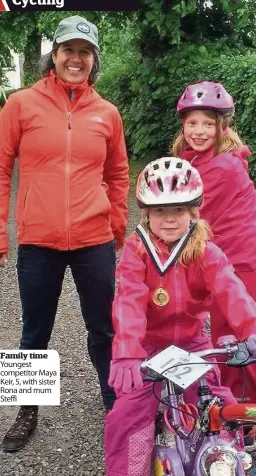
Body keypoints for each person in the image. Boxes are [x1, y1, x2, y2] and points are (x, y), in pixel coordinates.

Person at [0, 14, 129, 452]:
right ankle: (26, 410)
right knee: (34, 331)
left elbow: (117, 174)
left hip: (94, 240)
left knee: (104, 328)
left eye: (85, 52)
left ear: (95, 60)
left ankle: (115, 404)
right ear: (52, 56)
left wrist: (118, 229)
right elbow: (1, 170)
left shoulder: (107, 114)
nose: (76, 59)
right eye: (68, 50)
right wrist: (2, 232)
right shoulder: (20, 105)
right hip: (38, 241)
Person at [104, 157, 256, 476]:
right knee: (127, 418)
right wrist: (127, 351)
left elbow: (230, 287)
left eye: (178, 210)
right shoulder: (137, 251)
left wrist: (250, 329)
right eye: (160, 211)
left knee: (215, 409)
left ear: (193, 212)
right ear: (146, 214)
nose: (170, 220)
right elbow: (128, 299)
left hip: (192, 343)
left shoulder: (205, 251)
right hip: (145, 348)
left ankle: (221, 463)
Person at [172, 81, 256, 412]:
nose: (200, 130)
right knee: (229, 336)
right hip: (228, 260)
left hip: (241, 263)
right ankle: (236, 408)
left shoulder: (223, 166)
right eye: (193, 122)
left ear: (222, 127)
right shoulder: (195, 159)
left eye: (209, 123)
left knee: (239, 339)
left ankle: (242, 413)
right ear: (183, 124)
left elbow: (186, 219)